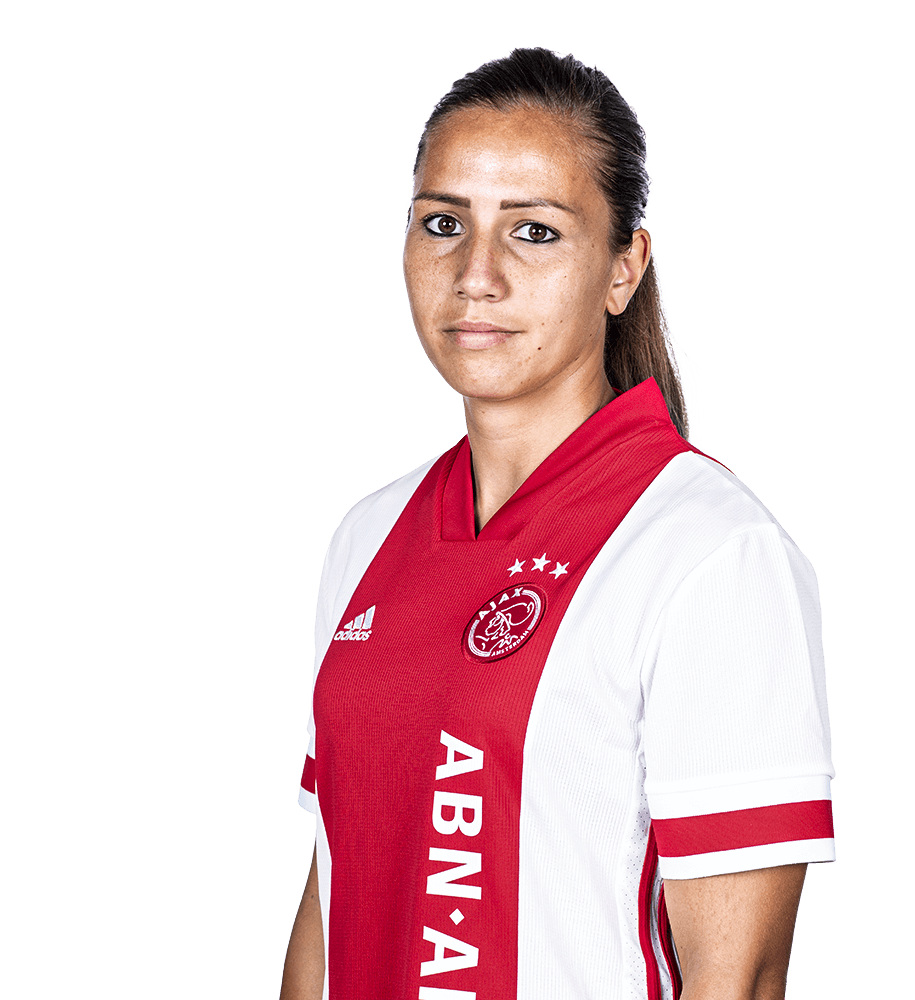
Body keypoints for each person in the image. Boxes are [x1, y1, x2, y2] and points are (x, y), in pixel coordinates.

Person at [280, 46, 835, 1000]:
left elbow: (736, 978)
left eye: (534, 232)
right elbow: (330, 903)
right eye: (443, 223)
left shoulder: (711, 551)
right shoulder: (364, 538)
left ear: (624, 268)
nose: (476, 275)